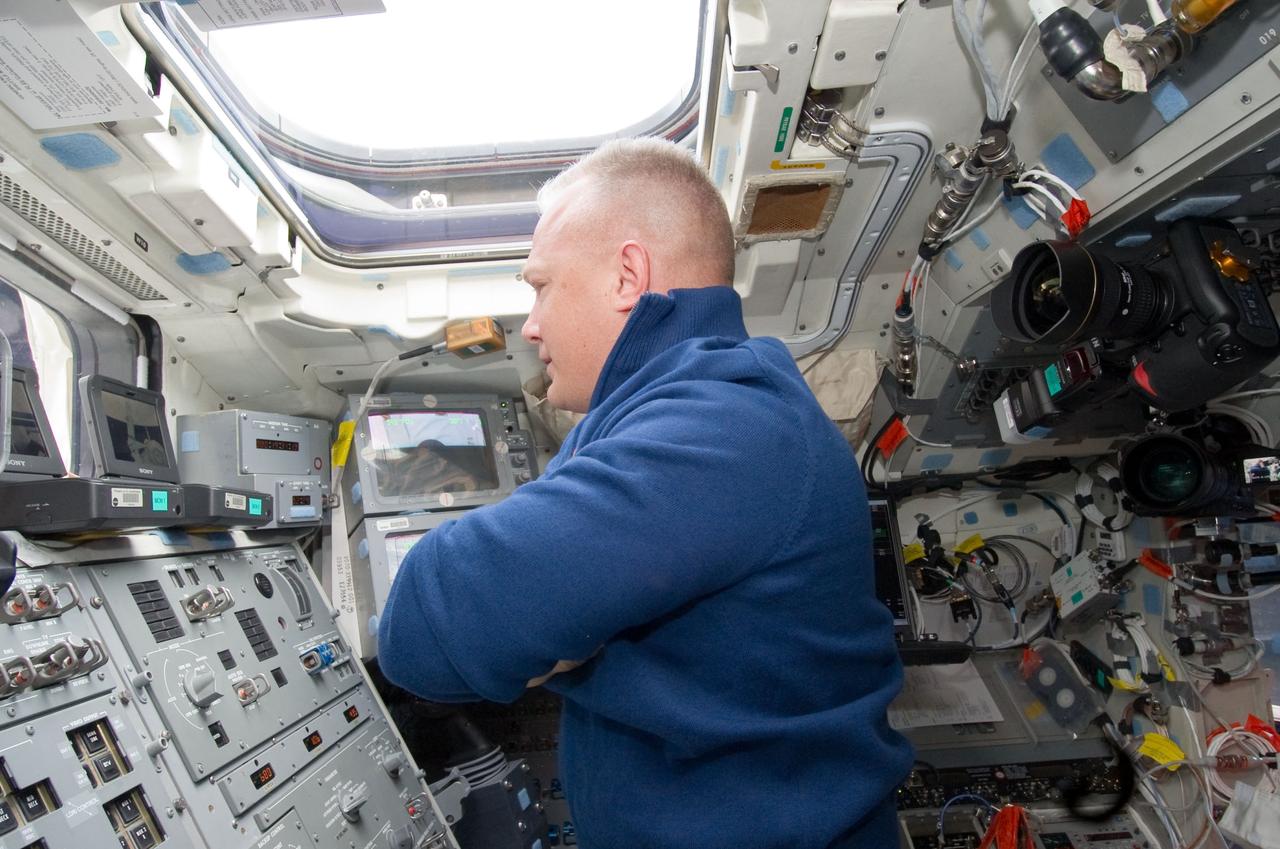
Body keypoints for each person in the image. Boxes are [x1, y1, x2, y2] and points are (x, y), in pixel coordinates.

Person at [377, 137, 912, 849]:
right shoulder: (683, 410)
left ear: (628, 276)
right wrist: (571, 635)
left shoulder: (723, 427)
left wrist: (571, 640)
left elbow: (422, 631)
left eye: (541, 286)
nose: (530, 325)